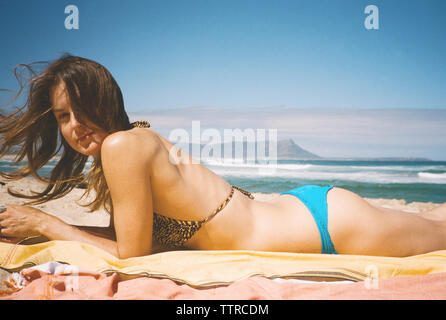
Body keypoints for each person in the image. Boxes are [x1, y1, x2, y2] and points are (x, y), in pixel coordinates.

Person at [0, 54, 445, 259]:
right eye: (62, 116)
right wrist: (50, 229)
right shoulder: (130, 145)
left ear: (106, 101)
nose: (74, 125)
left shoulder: (122, 146)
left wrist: (45, 224)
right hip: (308, 213)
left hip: (329, 226)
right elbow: (130, 239)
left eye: (82, 109)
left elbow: (130, 254)